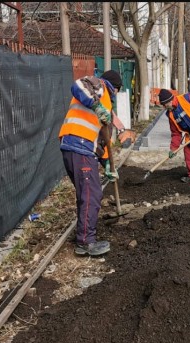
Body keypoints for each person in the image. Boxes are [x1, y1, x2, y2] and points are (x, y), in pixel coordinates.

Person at [59, 70, 134, 256]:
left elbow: (102, 140)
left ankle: (83, 235)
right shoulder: (99, 86)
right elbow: (77, 86)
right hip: (79, 145)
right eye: (117, 91)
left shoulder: (106, 107)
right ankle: (85, 242)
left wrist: (108, 164)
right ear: (115, 88)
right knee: (92, 194)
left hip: (77, 147)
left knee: (85, 193)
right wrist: (96, 105)